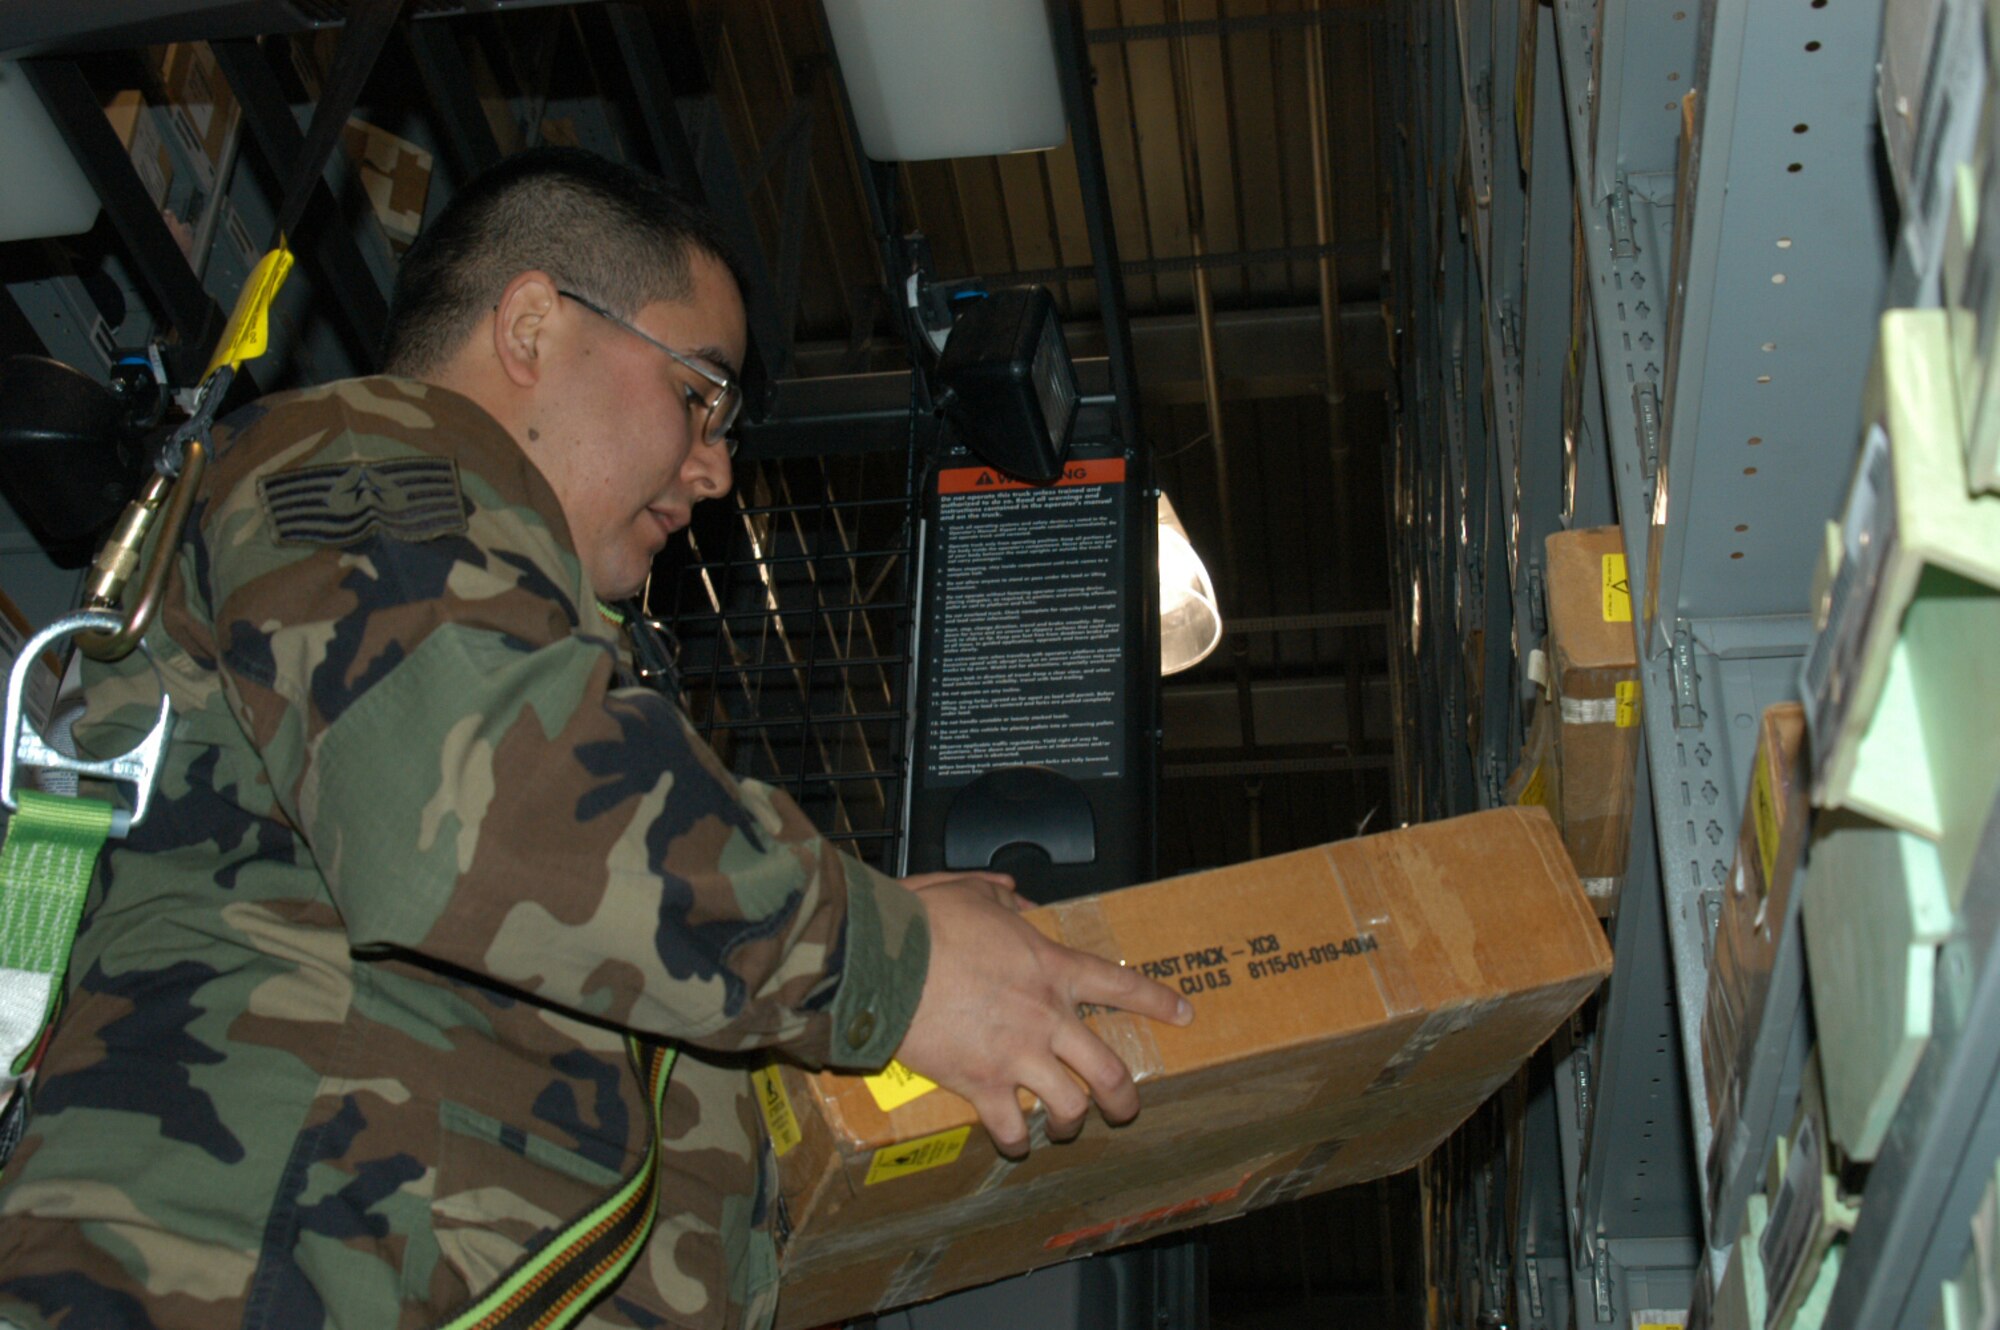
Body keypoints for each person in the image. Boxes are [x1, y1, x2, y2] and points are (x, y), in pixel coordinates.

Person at [0, 147, 1188, 1329]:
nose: (714, 468)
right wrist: (892, 961)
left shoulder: (562, 673)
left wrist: (869, 976)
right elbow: (480, 813)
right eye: (697, 395)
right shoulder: (364, 452)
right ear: (530, 327)